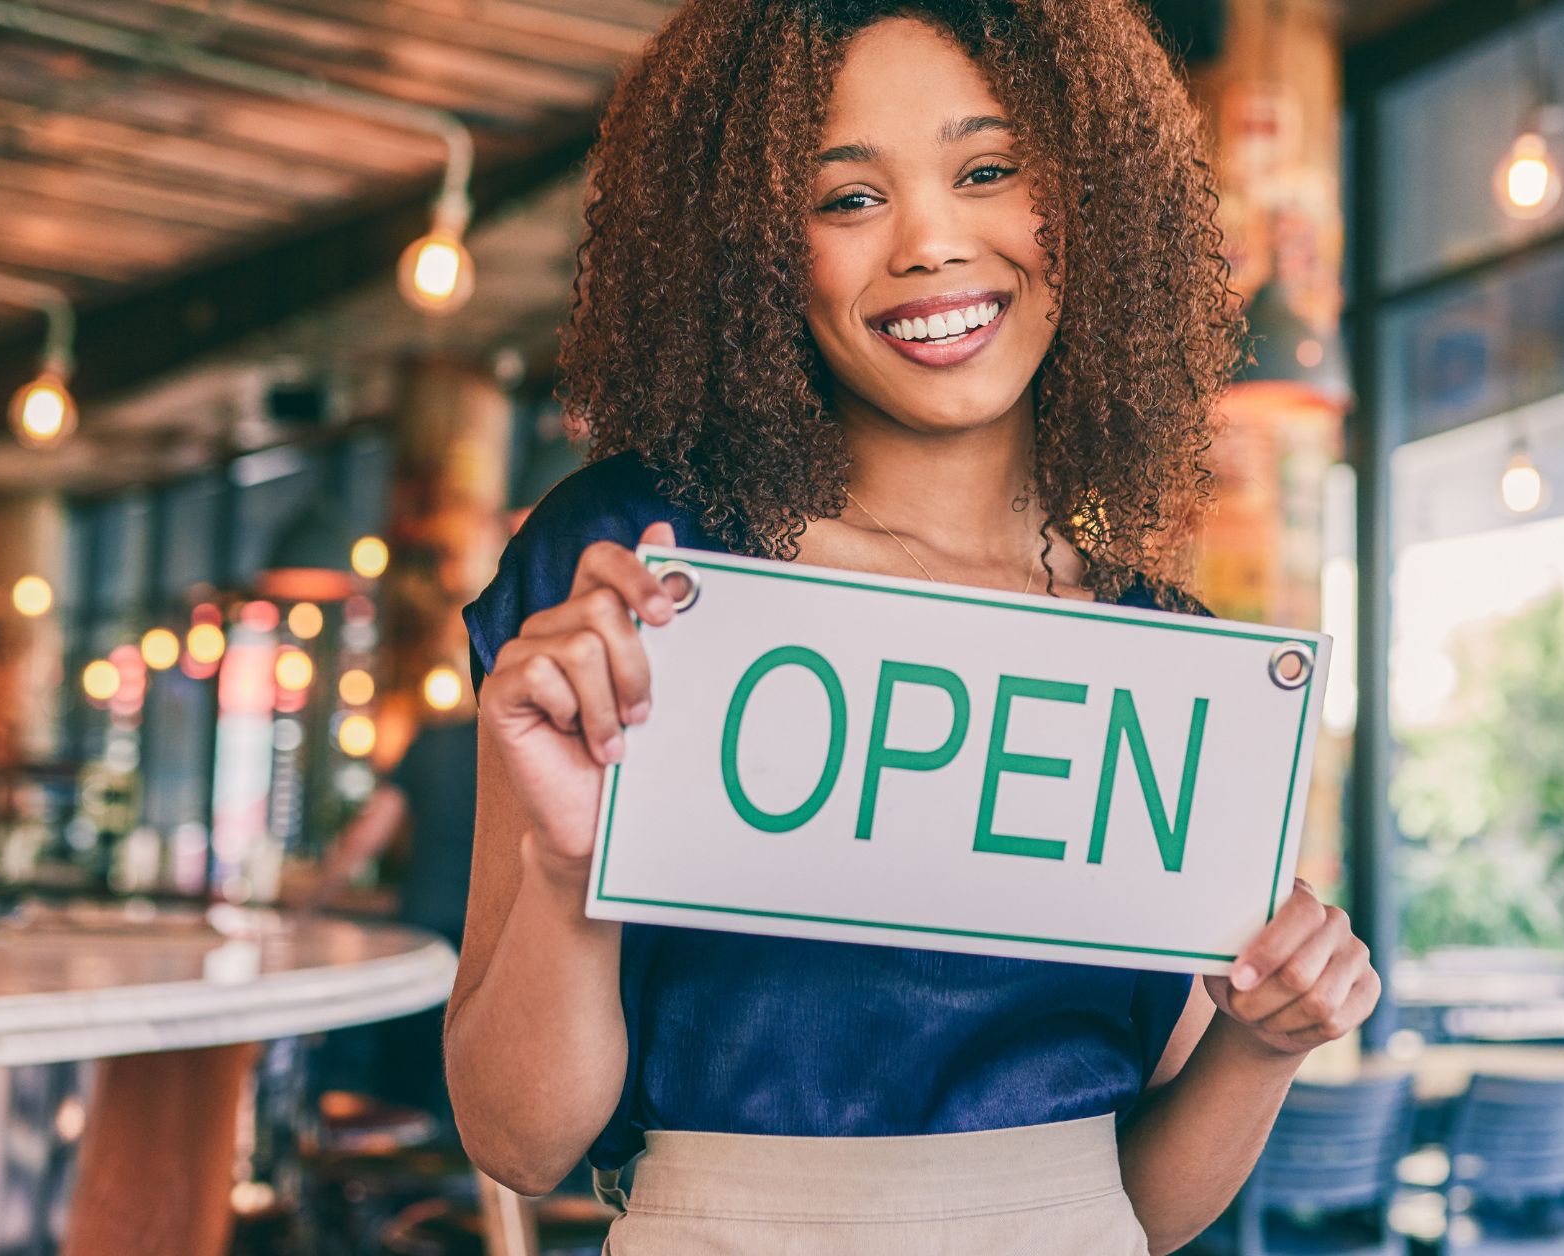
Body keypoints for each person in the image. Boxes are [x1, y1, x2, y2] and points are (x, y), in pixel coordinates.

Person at [444, 2, 1380, 1252]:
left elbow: (1134, 1210)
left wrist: (1264, 1044)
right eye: (846, 199)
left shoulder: (1157, 653)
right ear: (756, 253)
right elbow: (519, 1140)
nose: (932, 242)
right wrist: (572, 874)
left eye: (987, 171)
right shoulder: (637, 568)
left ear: (1092, 204)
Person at [302, 713, 481, 1122]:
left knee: (406, 1090)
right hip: (496, 948)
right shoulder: (540, 744)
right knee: (470, 1095)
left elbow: (367, 835)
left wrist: (310, 904)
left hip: (424, 943)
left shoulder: (435, 743)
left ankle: (408, 1174)